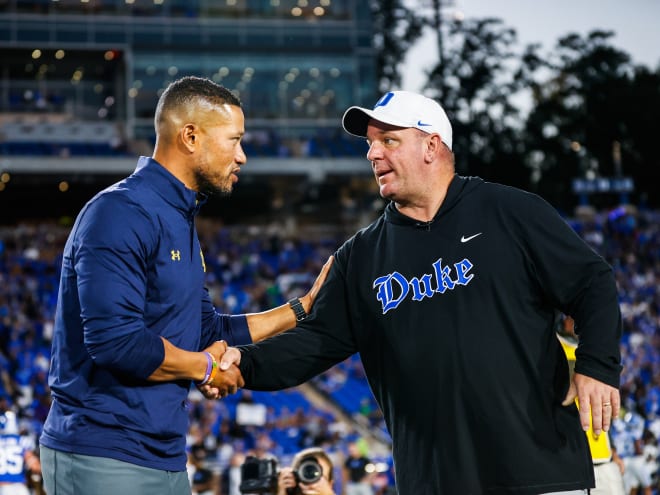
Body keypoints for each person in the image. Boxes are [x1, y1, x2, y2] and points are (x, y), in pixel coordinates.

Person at [216, 90, 623, 494]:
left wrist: (597, 367)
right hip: (435, 482)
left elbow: (592, 282)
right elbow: (313, 342)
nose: (373, 154)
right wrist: (243, 364)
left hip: (540, 471)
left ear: (432, 146)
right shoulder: (360, 258)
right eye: (371, 144)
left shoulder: (509, 212)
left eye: (388, 141)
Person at [38, 75, 332, 495]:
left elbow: (206, 330)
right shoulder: (121, 212)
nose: (242, 156)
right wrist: (208, 367)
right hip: (103, 454)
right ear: (190, 136)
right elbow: (115, 341)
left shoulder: (180, 220)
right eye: (234, 140)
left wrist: (301, 309)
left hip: (166, 457)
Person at [557, 316, 626, 495]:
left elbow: (603, 407)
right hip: (568, 461)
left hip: (603, 458)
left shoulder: (597, 353)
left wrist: (614, 451)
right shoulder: (554, 347)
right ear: (566, 320)